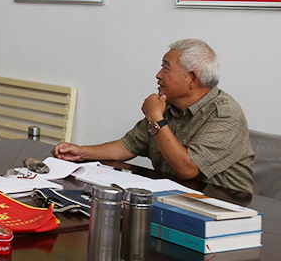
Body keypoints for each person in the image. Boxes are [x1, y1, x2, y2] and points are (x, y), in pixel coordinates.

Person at [53, 39, 255, 194]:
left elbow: (188, 169)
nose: (158, 75)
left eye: (166, 68)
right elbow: (127, 146)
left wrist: (156, 117)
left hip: (222, 207)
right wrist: (81, 151)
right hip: (176, 197)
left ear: (192, 79)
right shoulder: (168, 106)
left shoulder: (225, 114)